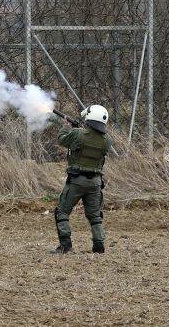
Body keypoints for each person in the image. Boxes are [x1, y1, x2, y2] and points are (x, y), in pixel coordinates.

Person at [53, 105, 113, 254]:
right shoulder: (107, 141)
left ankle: (66, 246)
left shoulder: (78, 134)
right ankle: (99, 245)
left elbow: (62, 140)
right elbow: (91, 138)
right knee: (94, 215)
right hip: (96, 183)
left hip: (77, 181)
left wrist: (66, 127)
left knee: (61, 212)